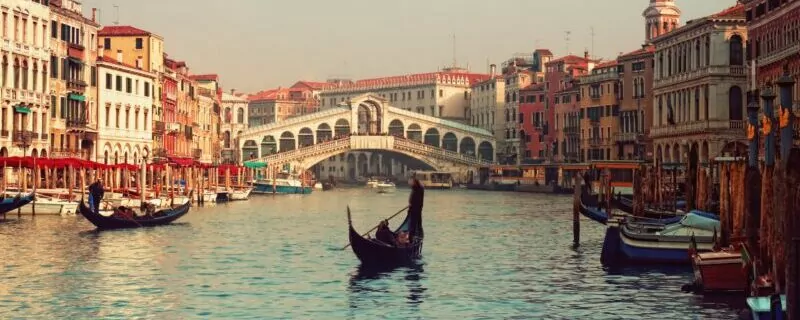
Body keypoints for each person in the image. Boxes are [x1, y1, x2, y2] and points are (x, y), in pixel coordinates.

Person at [407, 178, 425, 242]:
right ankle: (415, 236)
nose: (410, 183)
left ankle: (411, 239)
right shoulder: (419, 189)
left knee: (413, 224)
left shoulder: (417, 189)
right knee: (417, 224)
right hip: (417, 208)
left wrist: (411, 204)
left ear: (415, 182)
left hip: (415, 209)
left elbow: (415, 199)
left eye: (411, 182)